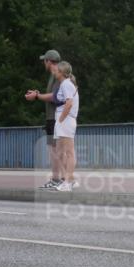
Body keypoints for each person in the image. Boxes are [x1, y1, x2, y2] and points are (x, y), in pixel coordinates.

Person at [25, 50, 63, 188]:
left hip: (55, 118)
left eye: (44, 61)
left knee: (55, 150)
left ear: (49, 61)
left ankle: (58, 180)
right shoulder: (56, 74)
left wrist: (37, 96)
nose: (43, 63)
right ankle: (60, 179)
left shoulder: (57, 74)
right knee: (56, 150)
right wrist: (38, 94)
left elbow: (55, 96)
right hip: (54, 118)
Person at [51, 61, 79, 191]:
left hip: (66, 120)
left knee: (69, 152)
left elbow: (69, 103)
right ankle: (71, 179)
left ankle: (68, 182)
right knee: (60, 152)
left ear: (61, 72)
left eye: (56, 70)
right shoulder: (65, 84)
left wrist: (61, 119)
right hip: (64, 120)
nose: (54, 72)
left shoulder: (66, 84)